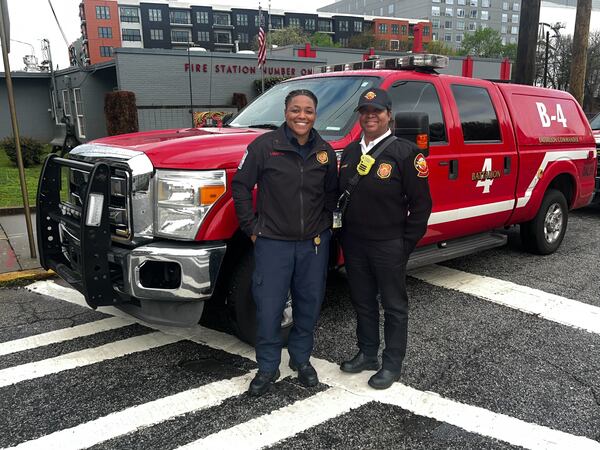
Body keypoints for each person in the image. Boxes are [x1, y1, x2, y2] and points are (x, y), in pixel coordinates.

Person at [232, 89, 338, 396]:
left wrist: (325, 226)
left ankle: (301, 361)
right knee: (269, 308)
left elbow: (331, 193)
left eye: (308, 110)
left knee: (308, 306)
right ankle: (267, 367)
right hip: (273, 244)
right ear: (286, 111)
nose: (301, 116)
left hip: (313, 245)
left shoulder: (325, 151)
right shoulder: (264, 147)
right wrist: (252, 228)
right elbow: (240, 187)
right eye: (295, 110)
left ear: (315, 114)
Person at [338, 87, 432, 389]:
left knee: (393, 306)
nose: (370, 117)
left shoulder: (406, 153)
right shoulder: (351, 152)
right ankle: (368, 354)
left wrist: (405, 245)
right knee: (363, 302)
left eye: (376, 111)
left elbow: (421, 206)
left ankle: (392, 364)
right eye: (364, 112)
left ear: (388, 115)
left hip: (389, 243)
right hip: (354, 243)